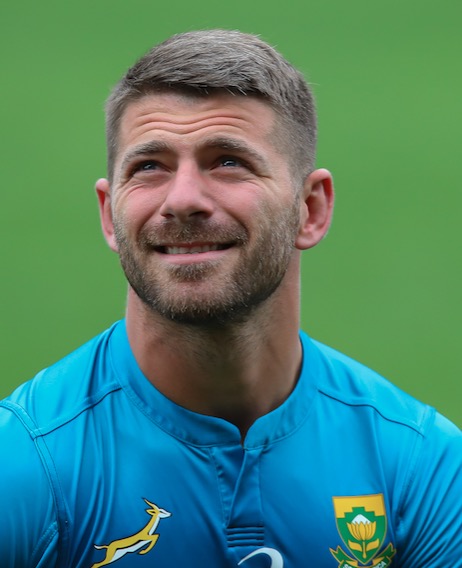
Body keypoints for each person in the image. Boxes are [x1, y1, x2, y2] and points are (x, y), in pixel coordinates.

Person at [0, 29, 460, 568]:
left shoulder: (417, 463)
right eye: (149, 166)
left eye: (227, 162)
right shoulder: (28, 467)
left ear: (310, 209)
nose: (185, 199)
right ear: (109, 213)